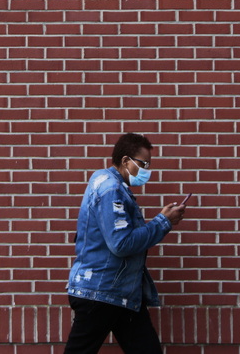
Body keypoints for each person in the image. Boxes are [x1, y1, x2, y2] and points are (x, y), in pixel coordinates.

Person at [63, 132, 186, 354]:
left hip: (120, 295)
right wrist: (163, 222)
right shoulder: (111, 190)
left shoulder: (111, 185)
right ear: (125, 161)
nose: (147, 170)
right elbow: (121, 244)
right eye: (143, 163)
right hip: (100, 293)